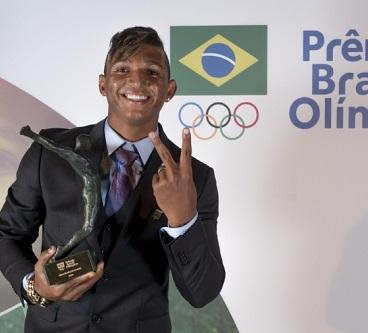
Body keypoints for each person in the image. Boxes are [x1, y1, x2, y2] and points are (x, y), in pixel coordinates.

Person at [0, 26, 225, 332]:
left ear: (169, 90)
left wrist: (182, 220)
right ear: (103, 85)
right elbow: (7, 235)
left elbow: (202, 293)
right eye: (122, 69)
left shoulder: (195, 177)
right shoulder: (50, 151)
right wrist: (34, 288)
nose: (137, 81)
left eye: (152, 72)